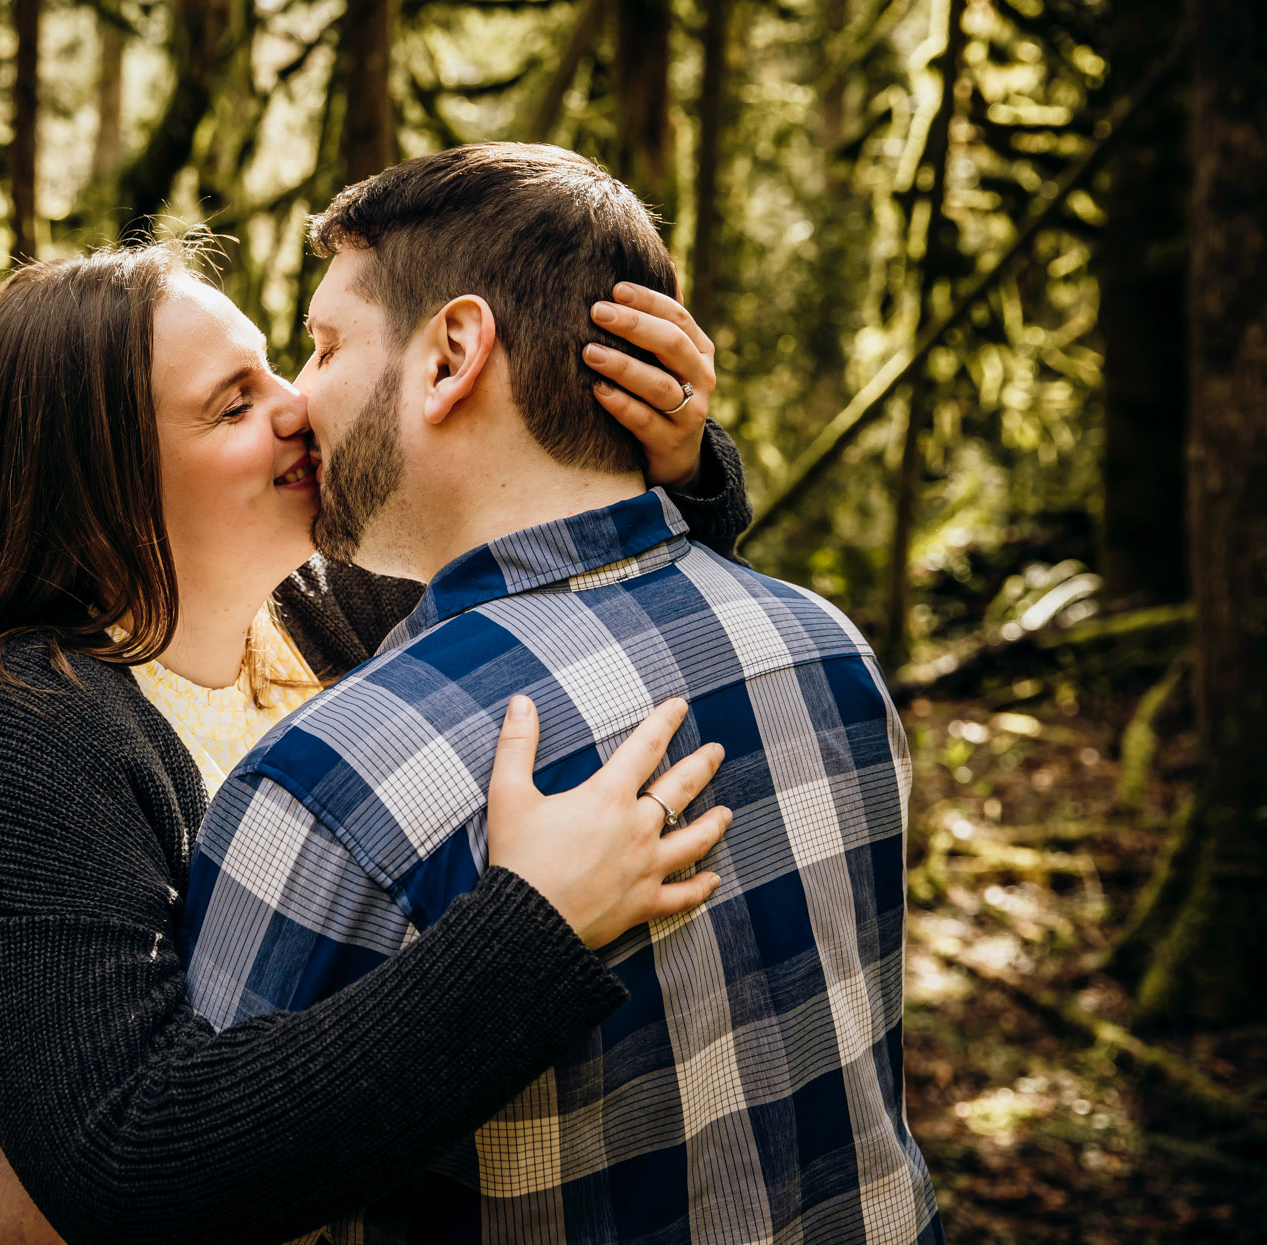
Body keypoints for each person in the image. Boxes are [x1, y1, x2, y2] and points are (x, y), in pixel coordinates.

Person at [0, 181, 754, 1245]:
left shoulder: (321, 612)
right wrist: (528, 931)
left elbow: (569, 606)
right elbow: (133, 1161)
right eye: (232, 403)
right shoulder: (11, 744)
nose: (297, 404)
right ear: (97, 482)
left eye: (277, 365)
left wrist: (674, 470)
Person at [179, 143, 943, 1243]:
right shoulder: (822, 648)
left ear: (449, 354)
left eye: (323, 343)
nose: (297, 403)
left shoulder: (329, 789)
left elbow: (195, 1205)